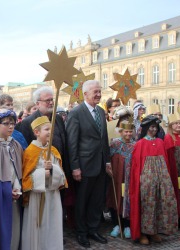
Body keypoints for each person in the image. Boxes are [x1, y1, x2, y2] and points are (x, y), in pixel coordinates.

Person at [66, 80, 110, 247]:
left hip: (100, 165)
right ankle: (81, 232)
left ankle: (93, 229)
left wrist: (107, 161)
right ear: (85, 94)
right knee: (82, 200)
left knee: (97, 200)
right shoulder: (76, 113)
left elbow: (104, 139)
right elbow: (72, 142)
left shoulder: (100, 111)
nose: (98, 94)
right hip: (84, 166)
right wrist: (75, 167)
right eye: (95, 92)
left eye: (99, 91)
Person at [130, 115, 178, 245]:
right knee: (147, 204)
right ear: (146, 128)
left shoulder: (160, 142)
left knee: (159, 202)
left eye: (155, 127)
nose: (154, 130)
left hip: (161, 178)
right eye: (151, 127)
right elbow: (135, 165)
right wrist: (139, 179)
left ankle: (155, 230)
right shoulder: (140, 144)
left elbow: (166, 161)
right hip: (146, 179)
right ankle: (143, 233)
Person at [22, 116, 67, 250]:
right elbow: (26, 179)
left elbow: (62, 177)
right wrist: (42, 174)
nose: (50, 132)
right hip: (37, 197)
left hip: (52, 195)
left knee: (52, 225)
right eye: (47, 129)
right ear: (37, 132)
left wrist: (53, 169)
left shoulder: (53, 150)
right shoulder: (30, 152)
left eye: (51, 130)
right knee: (38, 225)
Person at [0, 109, 23, 250]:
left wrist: (17, 186)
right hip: (0, 192)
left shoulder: (16, 144)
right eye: (6, 123)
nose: (10, 127)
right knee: (3, 225)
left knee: (16, 224)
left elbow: (18, 169)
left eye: (12, 123)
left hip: (16, 190)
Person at [106, 120, 135, 239]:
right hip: (117, 177)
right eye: (126, 131)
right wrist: (108, 168)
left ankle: (127, 225)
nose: (128, 134)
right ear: (121, 132)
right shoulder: (115, 144)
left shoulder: (135, 144)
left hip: (129, 178)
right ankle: (116, 224)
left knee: (127, 199)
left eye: (130, 132)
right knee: (115, 197)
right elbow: (108, 158)